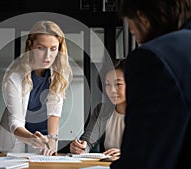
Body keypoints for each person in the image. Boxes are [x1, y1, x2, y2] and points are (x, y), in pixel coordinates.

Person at [110, 0, 191, 169]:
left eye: (133, 32)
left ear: (142, 17)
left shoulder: (154, 57)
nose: (138, 41)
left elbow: (142, 159)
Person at [0, 20, 73, 155]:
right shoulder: (15, 77)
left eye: (53, 49)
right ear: (30, 46)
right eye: (41, 48)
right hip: (16, 134)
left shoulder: (60, 75)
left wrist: (51, 141)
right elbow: (15, 122)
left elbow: (54, 114)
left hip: (44, 134)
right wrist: (32, 139)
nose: (47, 56)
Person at [70, 60, 126, 160]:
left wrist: (127, 153)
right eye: (107, 85)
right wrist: (81, 147)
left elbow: (152, 147)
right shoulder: (102, 110)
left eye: (118, 84)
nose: (112, 90)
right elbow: (88, 139)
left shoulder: (145, 112)